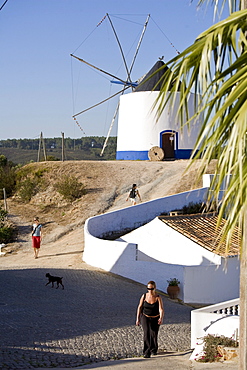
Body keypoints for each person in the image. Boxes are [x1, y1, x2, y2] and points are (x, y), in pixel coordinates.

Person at [136, 280, 164, 358]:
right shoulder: (144, 296)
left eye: (151, 289)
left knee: (154, 334)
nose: (150, 291)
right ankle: (146, 351)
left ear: (155, 288)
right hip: (145, 316)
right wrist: (138, 318)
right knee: (146, 333)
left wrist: (161, 318)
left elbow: (161, 309)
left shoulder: (158, 297)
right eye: (148, 289)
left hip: (155, 317)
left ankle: (154, 349)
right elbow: (140, 307)